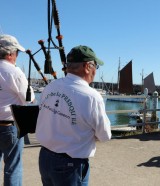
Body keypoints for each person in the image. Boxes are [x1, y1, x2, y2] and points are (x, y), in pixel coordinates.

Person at [35, 45, 112, 186]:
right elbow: (105, 135)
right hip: (70, 165)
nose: (95, 71)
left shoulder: (50, 87)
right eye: (96, 67)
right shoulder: (92, 96)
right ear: (87, 66)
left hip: (45, 157)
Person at [0, 34, 35, 185]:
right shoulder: (14, 72)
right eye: (17, 53)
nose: (17, 56)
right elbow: (29, 98)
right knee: (13, 167)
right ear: (10, 54)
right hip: (9, 125)